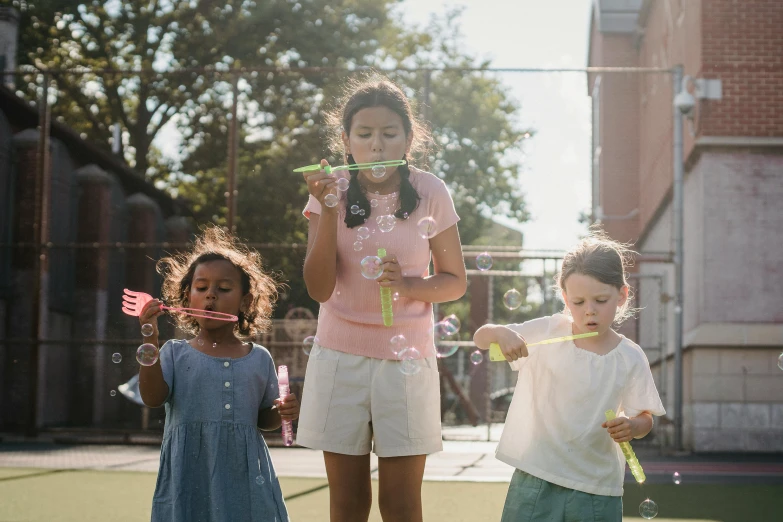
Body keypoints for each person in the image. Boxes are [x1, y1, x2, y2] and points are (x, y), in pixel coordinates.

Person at [297, 75, 467, 522]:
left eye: (389, 134)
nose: (377, 146)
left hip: (407, 360)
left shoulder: (431, 191)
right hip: (338, 356)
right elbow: (318, 288)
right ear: (345, 140)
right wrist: (329, 208)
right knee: (348, 504)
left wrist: (409, 284)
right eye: (365, 134)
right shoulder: (328, 190)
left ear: (409, 139)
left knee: (401, 504)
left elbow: (454, 281)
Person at [473, 228, 665, 522]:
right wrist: (501, 332)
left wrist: (632, 425)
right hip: (535, 478)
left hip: (596, 488)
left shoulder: (630, 356)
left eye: (601, 300)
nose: (589, 311)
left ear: (622, 296)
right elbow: (481, 338)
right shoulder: (548, 331)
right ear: (565, 297)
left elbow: (645, 419)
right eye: (578, 302)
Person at [137, 226, 299, 522]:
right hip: (189, 476)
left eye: (223, 289)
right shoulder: (174, 352)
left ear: (245, 301)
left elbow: (265, 421)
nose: (211, 295)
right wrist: (150, 338)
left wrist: (283, 410)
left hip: (245, 478)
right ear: (187, 298)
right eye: (202, 288)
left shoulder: (259, 358)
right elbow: (152, 397)